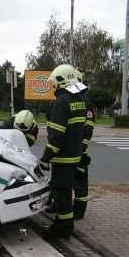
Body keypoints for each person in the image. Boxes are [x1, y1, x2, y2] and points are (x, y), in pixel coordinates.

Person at [39, 64, 86, 238]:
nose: (53, 88)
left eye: (54, 85)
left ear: (61, 81)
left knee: (62, 193)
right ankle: (62, 223)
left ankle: (64, 228)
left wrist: (45, 158)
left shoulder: (61, 102)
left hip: (62, 158)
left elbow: (56, 136)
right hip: (74, 156)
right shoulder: (78, 100)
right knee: (65, 191)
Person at [73, 69, 96, 219]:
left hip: (78, 151)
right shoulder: (73, 99)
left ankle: (79, 212)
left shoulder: (84, 102)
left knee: (80, 183)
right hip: (70, 150)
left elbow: (88, 128)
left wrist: (81, 150)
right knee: (69, 181)